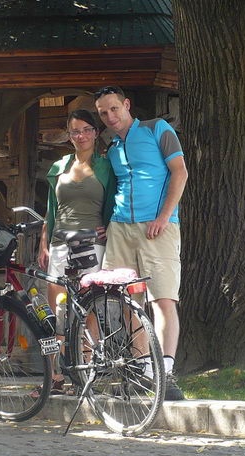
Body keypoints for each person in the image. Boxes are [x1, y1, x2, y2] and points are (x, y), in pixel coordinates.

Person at [94, 85, 188, 401]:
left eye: (114, 109)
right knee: (125, 299)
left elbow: (180, 173)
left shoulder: (156, 129)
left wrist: (164, 216)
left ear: (127, 104)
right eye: (103, 113)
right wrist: (108, 224)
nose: (109, 116)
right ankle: (143, 370)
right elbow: (116, 186)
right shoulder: (112, 145)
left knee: (163, 298)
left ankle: (167, 372)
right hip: (120, 228)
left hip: (158, 226)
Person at [37, 108, 117, 392]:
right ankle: (54, 377)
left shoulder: (106, 166)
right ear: (68, 135)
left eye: (86, 129)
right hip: (60, 242)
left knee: (90, 310)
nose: (80, 135)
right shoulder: (59, 167)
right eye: (74, 131)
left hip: (91, 242)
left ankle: (87, 372)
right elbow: (51, 209)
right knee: (55, 311)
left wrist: (109, 226)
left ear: (96, 133)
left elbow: (115, 201)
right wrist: (43, 241)